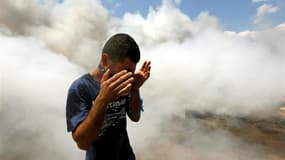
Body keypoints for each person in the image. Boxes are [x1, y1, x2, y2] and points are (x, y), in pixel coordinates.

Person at [66, 33, 151, 160]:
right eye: (125, 71)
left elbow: (135, 116)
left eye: (131, 72)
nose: (128, 76)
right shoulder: (81, 88)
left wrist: (135, 89)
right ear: (105, 60)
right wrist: (103, 99)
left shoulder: (122, 82)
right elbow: (83, 143)